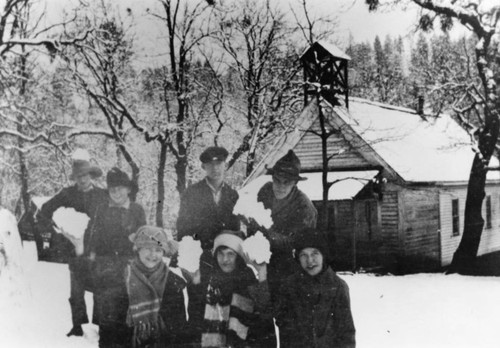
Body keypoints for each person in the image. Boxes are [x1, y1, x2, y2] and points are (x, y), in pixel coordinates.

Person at [37, 149, 107, 337]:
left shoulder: (102, 195)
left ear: (91, 175)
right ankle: (77, 326)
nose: (82, 180)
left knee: (100, 289)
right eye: (78, 176)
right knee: (76, 291)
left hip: (97, 250)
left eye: (85, 175)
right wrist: (59, 236)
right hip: (75, 251)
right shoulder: (67, 194)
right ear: (74, 178)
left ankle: (102, 326)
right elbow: (43, 212)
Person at [88, 167, 147, 347]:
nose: (116, 193)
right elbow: (94, 237)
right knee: (107, 323)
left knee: (128, 319)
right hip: (106, 271)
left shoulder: (137, 210)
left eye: (120, 188)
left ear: (128, 189)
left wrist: (136, 243)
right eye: (112, 190)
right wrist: (93, 257)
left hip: (130, 271)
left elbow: (144, 236)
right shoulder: (102, 210)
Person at [183, 230, 273, 348]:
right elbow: (195, 322)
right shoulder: (208, 281)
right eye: (221, 253)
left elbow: (264, 316)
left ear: (239, 257)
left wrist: (262, 274)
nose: (225, 260)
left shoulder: (248, 281)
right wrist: (195, 286)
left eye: (230, 254)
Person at [274, 228, 356, 348]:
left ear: (323, 255)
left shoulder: (337, 287)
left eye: (314, 253)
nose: (310, 261)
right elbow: (279, 320)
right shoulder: (289, 286)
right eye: (304, 255)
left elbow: (346, 333)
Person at [256, 150, 318, 296]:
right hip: (261, 262)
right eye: (277, 180)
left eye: (287, 182)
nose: (281, 186)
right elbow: (254, 218)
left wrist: (266, 234)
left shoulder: (304, 208)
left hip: (290, 270)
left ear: (295, 183)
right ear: (272, 178)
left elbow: (298, 243)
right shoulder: (265, 192)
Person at [176, 146, 240, 280]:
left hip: (224, 260)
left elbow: (235, 230)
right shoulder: (191, 193)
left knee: (223, 299)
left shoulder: (233, 195)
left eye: (219, 163)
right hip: (198, 259)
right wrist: (190, 261)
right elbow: (183, 228)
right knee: (197, 299)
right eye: (210, 164)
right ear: (203, 167)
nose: (215, 168)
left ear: (225, 165)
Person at [125, 225, 187, 348]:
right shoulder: (124, 278)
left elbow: (179, 330)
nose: (153, 254)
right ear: (138, 249)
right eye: (148, 248)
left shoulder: (172, 282)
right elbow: (111, 329)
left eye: (158, 250)